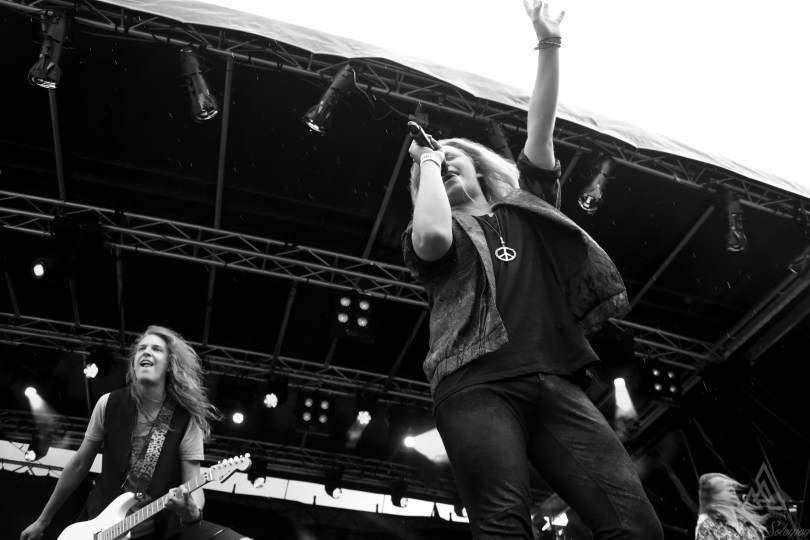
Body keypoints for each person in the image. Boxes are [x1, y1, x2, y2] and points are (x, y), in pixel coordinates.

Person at [401, 1, 664, 538]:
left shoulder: (530, 205)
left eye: (451, 155)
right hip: (474, 384)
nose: (442, 160)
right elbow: (431, 237)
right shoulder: (430, 230)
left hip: (555, 380)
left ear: (478, 165)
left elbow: (540, 129)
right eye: (433, 162)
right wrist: (424, 162)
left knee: (636, 527)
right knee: (504, 528)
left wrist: (548, 42)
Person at [20, 325, 249, 540]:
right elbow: (79, 464)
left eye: (156, 349)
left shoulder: (186, 419)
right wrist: (43, 520)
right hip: (97, 526)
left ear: (170, 365)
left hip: (154, 530)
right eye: (142, 348)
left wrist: (192, 512)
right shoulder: (109, 403)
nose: (146, 352)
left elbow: (194, 486)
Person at [695, 473, 767, 540]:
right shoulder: (707, 527)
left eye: (730, 485)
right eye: (722, 485)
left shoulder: (749, 522)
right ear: (713, 496)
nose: (731, 488)